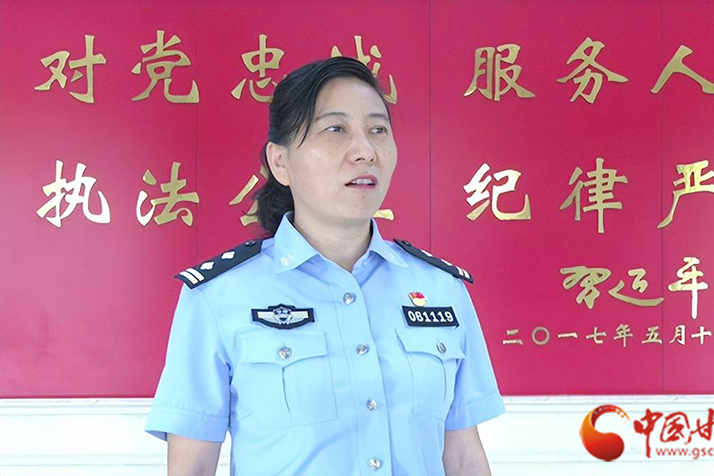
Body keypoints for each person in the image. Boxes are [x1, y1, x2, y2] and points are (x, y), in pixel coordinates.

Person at [145, 57, 505, 476]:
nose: (365, 151)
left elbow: (462, 457)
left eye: (378, 130)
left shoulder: (442, 289)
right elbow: (191, 468)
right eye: (336, 129)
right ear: (281, 163)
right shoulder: (217, 297)